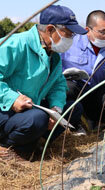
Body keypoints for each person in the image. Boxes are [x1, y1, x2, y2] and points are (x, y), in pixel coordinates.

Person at [0, 5, 87, 160]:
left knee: (73, 108)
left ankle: (35, 143)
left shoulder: (53, 55)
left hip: (29, 108)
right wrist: (12, 99)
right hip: (5, 110)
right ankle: (7, 146)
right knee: (37, 119)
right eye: (68, 33)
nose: (70, 39)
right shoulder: (15, 45)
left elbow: (58, 84)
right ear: (50, 29)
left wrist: (56, 108)